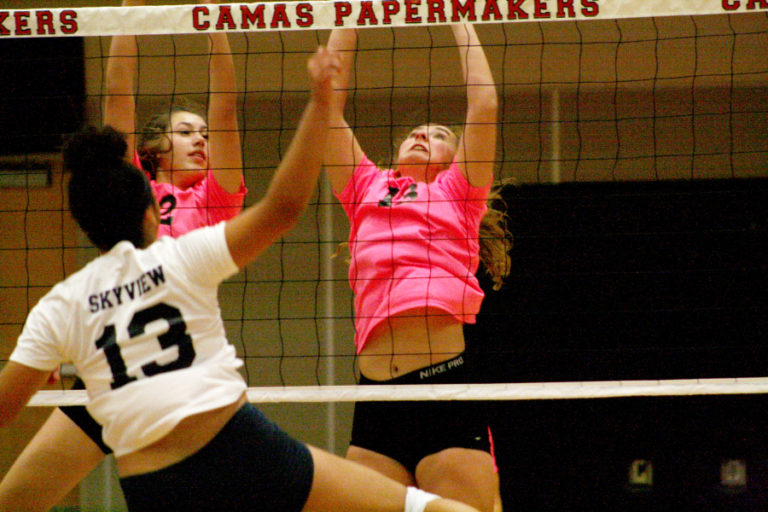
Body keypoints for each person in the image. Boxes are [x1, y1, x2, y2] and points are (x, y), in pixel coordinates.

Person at [0, 46, 480, 512]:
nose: (201, 139)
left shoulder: (63, 305)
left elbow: (159, 102)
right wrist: (319, 100)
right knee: (423, 506)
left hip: (139, 451)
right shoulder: (183, 258)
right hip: (227, 436)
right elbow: (283, 206)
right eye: (186, 131)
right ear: (148, 203)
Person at [0, 1, 247, 508]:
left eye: (203, 133)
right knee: (16, 498)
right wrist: (126, 15)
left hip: (173, 376)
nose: (201, 138)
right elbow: (119, 96)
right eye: (185, 131)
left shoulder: (217, 199)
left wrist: (216, 22)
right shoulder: (129, 185)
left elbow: (226, 107)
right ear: (153, 151)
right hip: (110, 366)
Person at [324, 25, 510, 512]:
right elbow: (325, 112)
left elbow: (485, 105)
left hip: (443, 392)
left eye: (440, 135)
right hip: (376, 402)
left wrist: (458, 16)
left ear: (456, 157)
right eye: (415, 132)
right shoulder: (366, 187)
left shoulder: (458, 193)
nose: (423, 135)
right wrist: (349, 16)